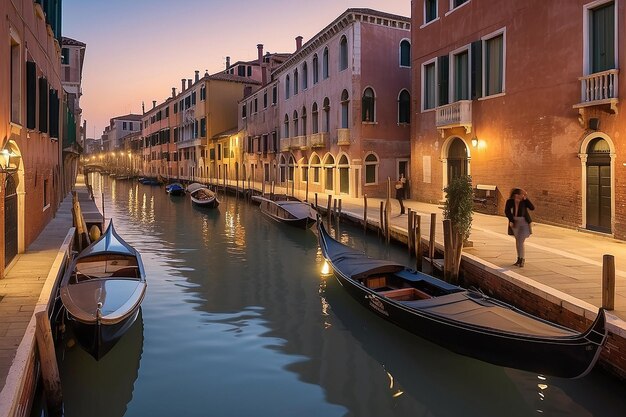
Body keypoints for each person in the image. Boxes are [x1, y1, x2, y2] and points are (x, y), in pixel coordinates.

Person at [504, 188, 535, 267]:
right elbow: (507, 211)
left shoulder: (524, 201)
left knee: (520, 241)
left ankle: (521, 259)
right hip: (515, 222)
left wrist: (526, 199)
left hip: (524, 222)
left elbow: (532, 208)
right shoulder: (510, 201)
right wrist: (511, 220)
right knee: (518, 241)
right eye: (522, 194)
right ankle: (519, 259)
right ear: (516, 195)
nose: (523, 196)